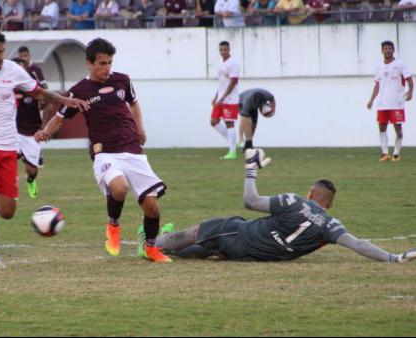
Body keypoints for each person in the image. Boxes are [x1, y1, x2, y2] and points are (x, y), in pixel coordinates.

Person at [0, 30, 89, 269]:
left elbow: (38, 92)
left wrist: (63, 100)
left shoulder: (12, 70)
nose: (1, 57)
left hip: (7, 146)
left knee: (7, 211)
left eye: (2, 52)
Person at [35, 38, 172, 263]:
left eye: (109, 62)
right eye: (102, 63)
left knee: (152, 206)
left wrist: (140, 128)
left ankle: (150, 248)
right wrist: (45, 132)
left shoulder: (123, 81)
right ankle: (113, 225)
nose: (107, 68)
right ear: (89, 63)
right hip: (104, 151)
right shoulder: (79, 91)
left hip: (132, 149)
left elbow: (134, 103)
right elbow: (59, 118)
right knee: (119, 188)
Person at [153, 149, 416, 264]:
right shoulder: (331, 226)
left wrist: (250, 171)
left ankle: (153, 242)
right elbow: (359, 245)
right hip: (253, 257)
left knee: (194, 233)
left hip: (240, 235)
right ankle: (170, 250)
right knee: (202, 250)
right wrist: (393, 257)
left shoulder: (295, 200)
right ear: (330, 203)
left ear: (311, 192)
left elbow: (250, 202)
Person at [12, 57, 53, 199]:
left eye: (22, 68)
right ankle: (11, 188)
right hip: (12, 132)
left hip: (31, 133)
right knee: (9, 161)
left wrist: (44, 126)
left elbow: (48, 102)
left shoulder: (32, 88)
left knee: (32, 170)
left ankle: (30, 181)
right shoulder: (6, 87)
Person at [367, 41, 413, 162]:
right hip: (382, 104)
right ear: (382, 50)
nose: (388, 50)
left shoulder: (400, 64)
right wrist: (371, 100)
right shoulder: (378, 66)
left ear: (393, 50)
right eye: (385, 48)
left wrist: (410, 92)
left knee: (398, 128)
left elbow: (409, 79)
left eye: (390, 48)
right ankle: (385, 153)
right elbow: (377, 84)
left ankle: (396, 154)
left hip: (396, 103)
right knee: (382, 127)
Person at [211, 41, 240, 160]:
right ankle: (233, 142)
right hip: (221, 98)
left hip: (230, 99)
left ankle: (232, 153)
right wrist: (216, 96)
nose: (223, 52)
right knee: (214, 121)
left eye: (225, 50)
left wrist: (223, 98)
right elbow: (222, 82)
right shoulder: (221, 63)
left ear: (229, 50)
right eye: (221, 50)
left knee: (229, 123)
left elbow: (233, 82)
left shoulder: (233, 63)